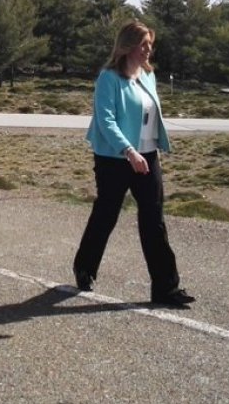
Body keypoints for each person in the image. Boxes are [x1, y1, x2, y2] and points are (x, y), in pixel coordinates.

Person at [72, 20, 195, 308]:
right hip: (114, 158)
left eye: (150, 45)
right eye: (143, 45)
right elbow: (106, 120)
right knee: (107, 214)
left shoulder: (148, 75)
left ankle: (166, 288)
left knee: (154, 221)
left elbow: (150, 117)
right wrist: (129, 151)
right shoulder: (108, 78)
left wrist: (152, 149)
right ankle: (85, 267)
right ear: (127, 47)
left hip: (147, 156)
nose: (148, 50)